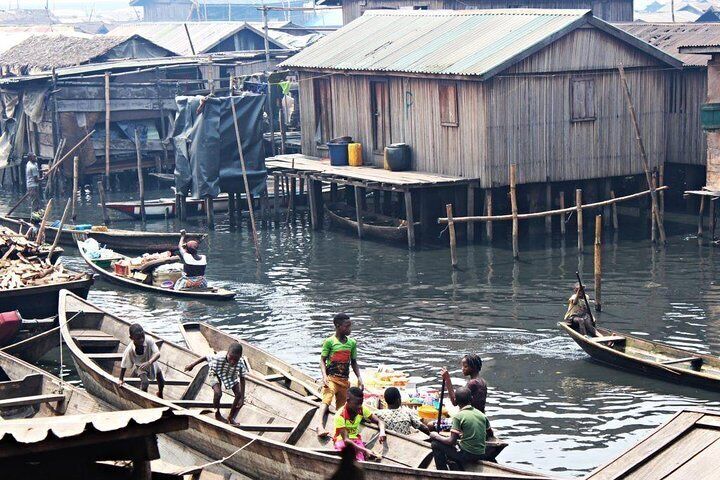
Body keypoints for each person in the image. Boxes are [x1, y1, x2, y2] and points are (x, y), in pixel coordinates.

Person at [317, 313, 364, 437]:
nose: (350, 329)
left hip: (344, 381)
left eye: (350, 326)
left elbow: (353, 362)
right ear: (338, 326)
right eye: (346, 326)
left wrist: (359, 377)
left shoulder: (352, 343)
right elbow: (322, 360)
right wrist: (324, 376)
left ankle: (340, 433)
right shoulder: (329, 342)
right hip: (331, 378)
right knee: (326, 400)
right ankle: (320, 426)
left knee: (341, 409)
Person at [185, 341, 246, 424]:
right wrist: (192, 365)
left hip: (230, 375)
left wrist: (242, 398)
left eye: (235, 360)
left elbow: (242, 379)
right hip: (215, 372)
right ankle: (217, 414)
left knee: (238, 395)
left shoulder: (241, 363)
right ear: (227, 353)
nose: (232, 361)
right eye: (230, 358)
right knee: (218, 393)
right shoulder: (219, 356)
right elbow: (205, 357)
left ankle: (230, 417)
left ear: (240, 357)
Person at [429, 387, 489, 471]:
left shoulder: (458, 416)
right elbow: (490, 434)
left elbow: (451, 441)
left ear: (456, 401)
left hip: (468, 455)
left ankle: (442, 472)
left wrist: (435, 436)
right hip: (481, 454)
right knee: (456, 445)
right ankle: (456, 466)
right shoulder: (481, 415)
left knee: (435, 444)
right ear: (471, 399)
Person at [333, 386, 386, 461]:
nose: (359, 406)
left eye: (361, 403)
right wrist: (364, 450)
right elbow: (346, 440)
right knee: (346, 457)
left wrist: (382, 432)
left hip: (356, 440)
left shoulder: (362, 409)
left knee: (360, 461)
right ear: (348, 400)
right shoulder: (340, 416)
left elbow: (380, 421)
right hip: (342, 441)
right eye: (356, 404)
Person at [118, 324, 165, 398]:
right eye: (138, 338)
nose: (141, 340)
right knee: (145, 383)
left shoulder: (149, 340)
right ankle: (144, 397)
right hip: (140, 367)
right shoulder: (129, 350)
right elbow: (124, 364)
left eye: (142, 337)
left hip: (152, 362)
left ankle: (160, 393)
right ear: (131, 338)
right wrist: (121, 379)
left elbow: (158, 353)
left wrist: (149, 362)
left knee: (161, 381)